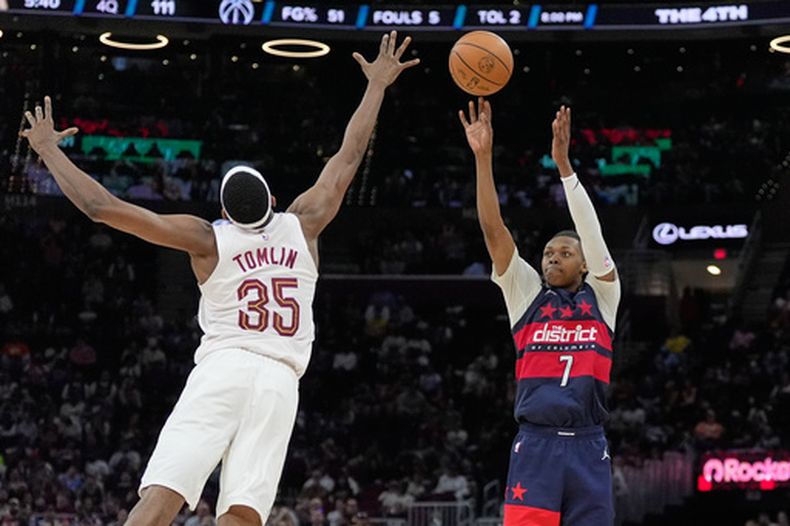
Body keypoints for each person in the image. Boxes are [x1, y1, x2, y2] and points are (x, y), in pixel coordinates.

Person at [20, 31, 419, 526]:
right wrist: (377, 85)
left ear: (225, 213)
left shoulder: (208, 238)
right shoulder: (305, 222)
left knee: (163, 495)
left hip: (224, 367)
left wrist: (48, 150)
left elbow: (102, 208)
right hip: (279, 380)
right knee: (243, 512)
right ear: (273, 200)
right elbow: (349, 155)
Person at [459, 100, 621, 525]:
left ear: (585, 264)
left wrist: (565, 168)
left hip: (589, 445)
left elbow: (591, 232)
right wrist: (483, 159)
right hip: (536, 445)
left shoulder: (604, 297)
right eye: (548, 253)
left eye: (565, 253)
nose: (552, 258)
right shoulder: (527, 294)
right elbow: (494, 230)